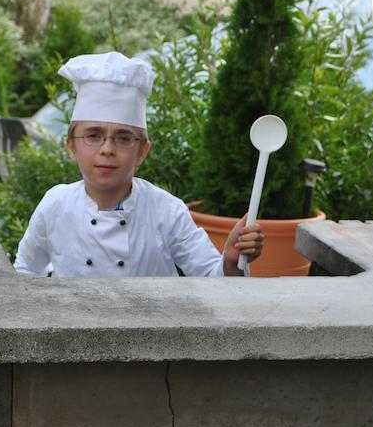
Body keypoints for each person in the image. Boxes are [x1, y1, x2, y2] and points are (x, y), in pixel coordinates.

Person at [14, 51, 264, 278]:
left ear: (142, 151)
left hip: (155, 327)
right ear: (72, 147)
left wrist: (231, 260)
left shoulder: (166, 211)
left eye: (123, 138)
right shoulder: (55, 205)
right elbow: (26, 270)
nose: (107, 149)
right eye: (93, 136)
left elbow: (212, 277)